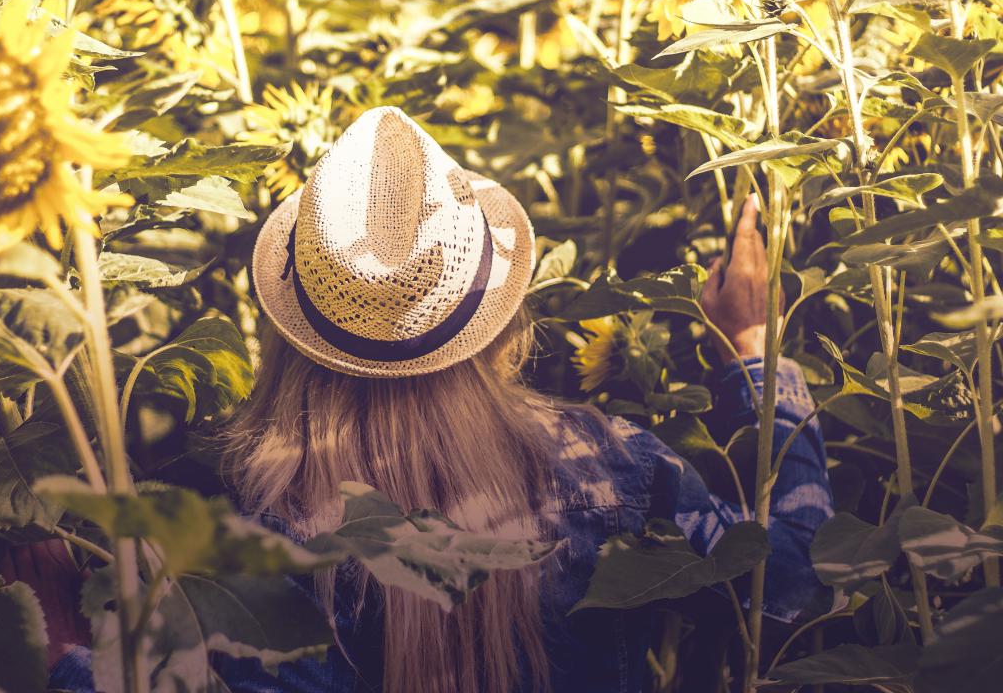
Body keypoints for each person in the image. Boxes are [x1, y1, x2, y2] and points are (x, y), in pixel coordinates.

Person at [45, 106, 833, 692]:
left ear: (291, 329)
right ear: (493, 316)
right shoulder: (608, 465)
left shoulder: (245, 525)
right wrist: (753, 354)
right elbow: (790, 583)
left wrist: (58, 661)